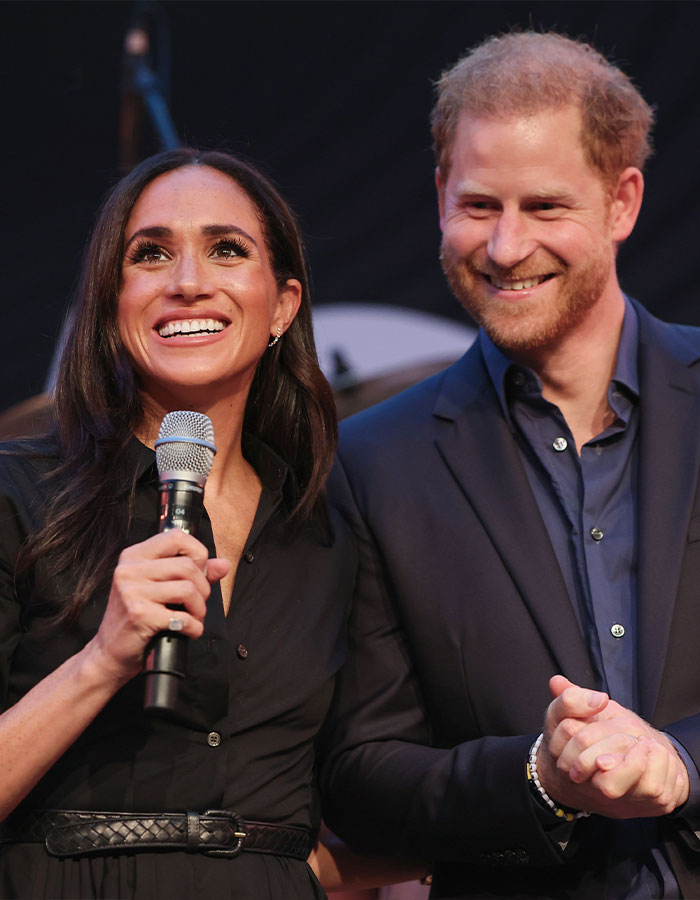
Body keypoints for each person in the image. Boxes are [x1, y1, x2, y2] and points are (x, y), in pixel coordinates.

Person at [320, 31, 700, 899]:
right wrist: (538, 778)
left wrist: (680, 763)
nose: (504, 246)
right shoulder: (374, 463)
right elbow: (360, 772)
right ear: (439, 200)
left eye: (546, 207)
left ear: (623, 202)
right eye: (480, 205)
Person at [0, 147, 358, 899]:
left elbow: (369, 780)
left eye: (227, 250)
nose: (188, 282)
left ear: (283, 305)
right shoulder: (17, 494)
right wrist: (100, 662)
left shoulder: (329, 529)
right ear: (110, 301)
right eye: (150, 254)